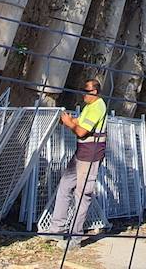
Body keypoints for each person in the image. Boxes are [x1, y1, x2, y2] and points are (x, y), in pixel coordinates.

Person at [46, 78, 108, 249]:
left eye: (86, 90)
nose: (83, 94)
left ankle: (75, 238)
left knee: (82, 195)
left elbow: (81, 131)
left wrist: (68, 123)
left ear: (95, 92)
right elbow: (78, 124)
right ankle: (57, 230)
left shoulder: (97, 106)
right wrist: (68, 120)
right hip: (81, 153)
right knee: (65, 186)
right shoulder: (89, 106)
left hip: (90, 155)